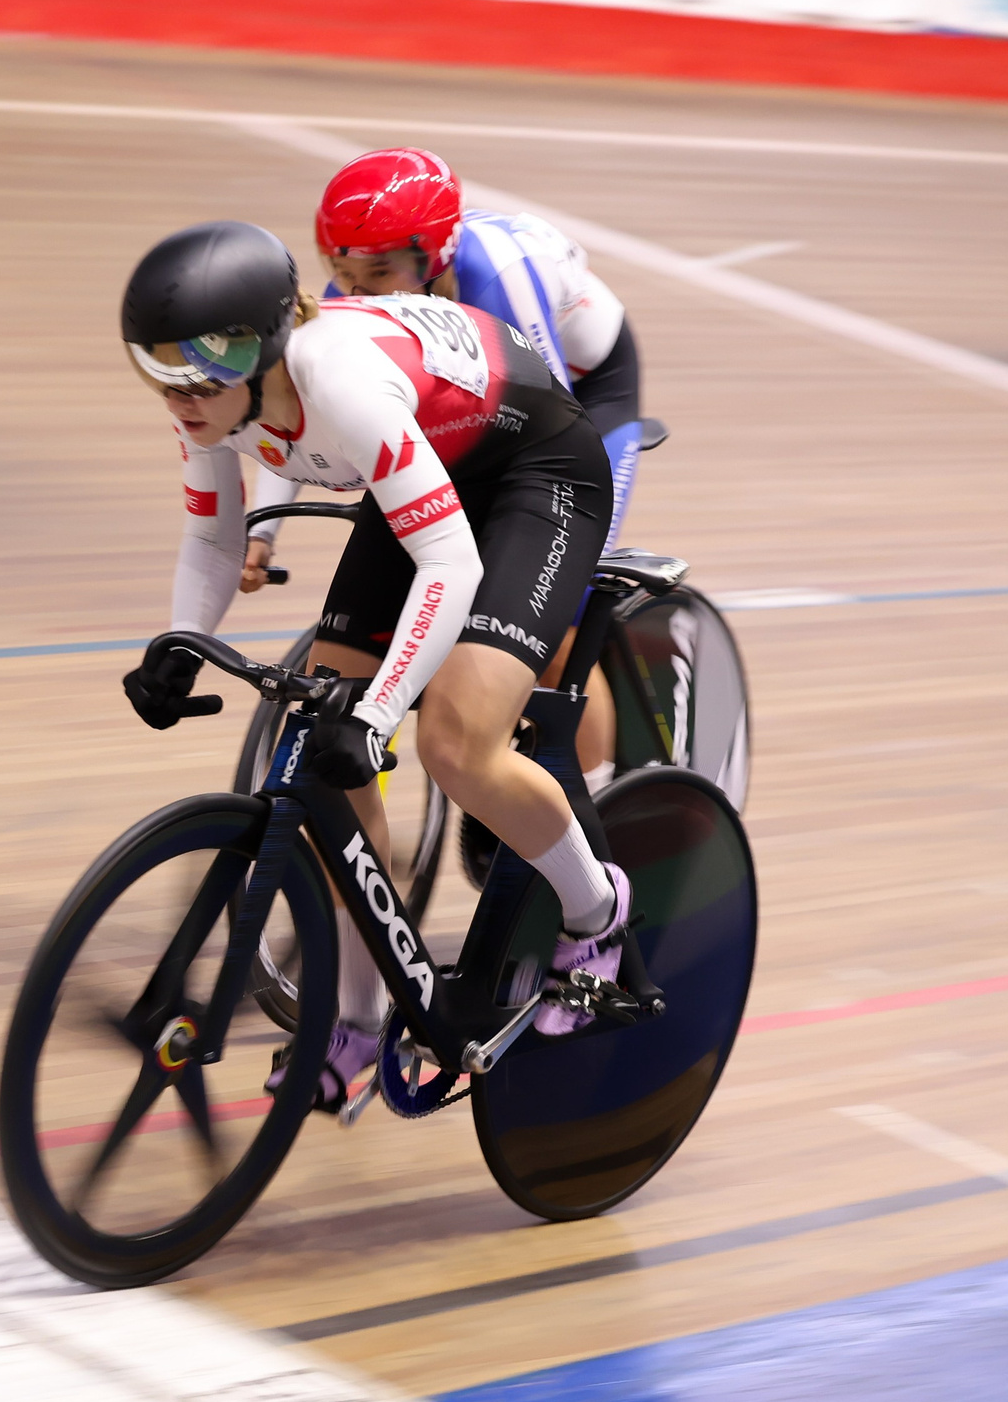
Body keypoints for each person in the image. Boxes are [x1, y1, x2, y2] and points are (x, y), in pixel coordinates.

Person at [117, 219, 629, 1109]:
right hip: (430, 462)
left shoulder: (340, 385)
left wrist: (381, 712)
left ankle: (597, 910)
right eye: (159, 372)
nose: (182, 398)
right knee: (331, 770)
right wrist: (179, 644)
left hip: (534, 475)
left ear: (269, 350)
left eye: (200, 377)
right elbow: (212, 535)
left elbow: (452, 566)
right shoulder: (212, 396)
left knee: (456, 742)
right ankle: (354, 1023)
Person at [246, 147, 642, 795]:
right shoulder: (359, 290)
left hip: (585, 393)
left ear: (439, 257)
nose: (358, 291)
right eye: (342, 272)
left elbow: (550, 416)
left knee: (558, 619)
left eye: (380, 271)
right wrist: (264, 534)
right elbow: (292, 404)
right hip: (473, 396)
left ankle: (595, 793)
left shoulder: (504, 279)